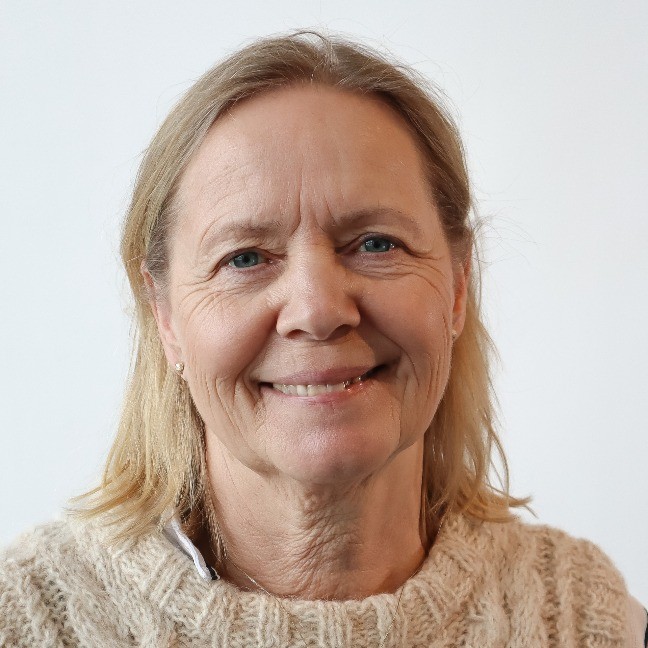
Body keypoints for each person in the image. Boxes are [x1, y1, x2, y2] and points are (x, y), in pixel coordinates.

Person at [0, 31, 645, 648]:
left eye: (377, 244)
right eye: (245, 258)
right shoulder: (26, 620)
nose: (317, 311)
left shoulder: (585, 619)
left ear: (457, 286)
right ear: (165, 315)